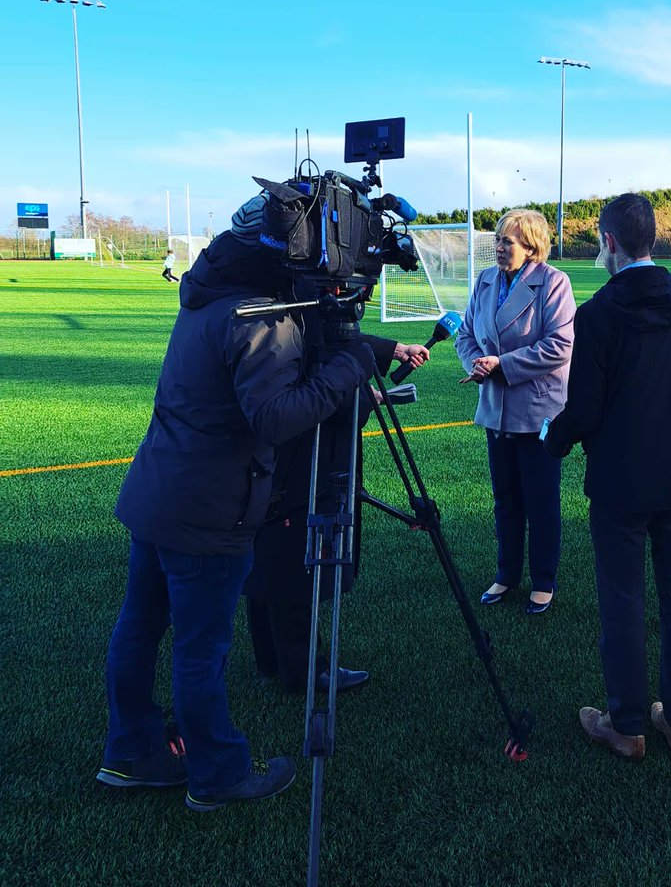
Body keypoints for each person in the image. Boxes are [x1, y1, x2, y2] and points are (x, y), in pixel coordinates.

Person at [98, 192, 376, 811]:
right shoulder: (259, 316)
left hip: (159, 491)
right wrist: (348, 366)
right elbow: (275, 417)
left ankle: (131, 750)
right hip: (211, 507)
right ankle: (217, 774)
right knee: (199, 650)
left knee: (139, 628)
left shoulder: (212, 292)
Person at [544, 193, 671, 760]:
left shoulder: (597, 315)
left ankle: (626, 725)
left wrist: (552, 439)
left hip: (620, 484)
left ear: (609, 242)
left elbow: (584, 410)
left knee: (622, 600)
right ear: (653, 238)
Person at [244, 318, 429, 695]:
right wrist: (362, 395)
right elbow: (322, 384)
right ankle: (305, 671)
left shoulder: (273, 308)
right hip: (302, 460)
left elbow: (332, 333)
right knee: (293, 560)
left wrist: (393, 350)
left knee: (269, 551)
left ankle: (272, 659)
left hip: (271, 462)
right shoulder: (291, 318)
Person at [456, 209, 575, 614]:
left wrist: (502, 366)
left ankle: (543, 581)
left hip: (537, 411)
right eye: (497, 239)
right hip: (496, 409)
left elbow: (559, 346)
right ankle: (506, 574)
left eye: (507, 241)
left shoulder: (554, 282)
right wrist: (476, 363)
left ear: (531, 246)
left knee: (541, 502)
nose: (498, 247)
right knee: (505, 500)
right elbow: (466, 334)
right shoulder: (485, 280)